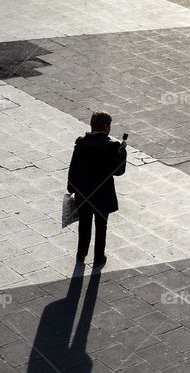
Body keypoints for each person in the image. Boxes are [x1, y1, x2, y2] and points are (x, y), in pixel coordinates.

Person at [66, 110, 127, 266]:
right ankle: (98, 258)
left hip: (84, 193)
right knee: (101, 227)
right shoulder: (112, 146)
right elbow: (119, 171)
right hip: (102, 195)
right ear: (106, 126)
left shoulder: (81, 143)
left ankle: (81, 255)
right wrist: (123, 152)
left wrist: (71, 188)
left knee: (84, 225)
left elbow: (73, 167)